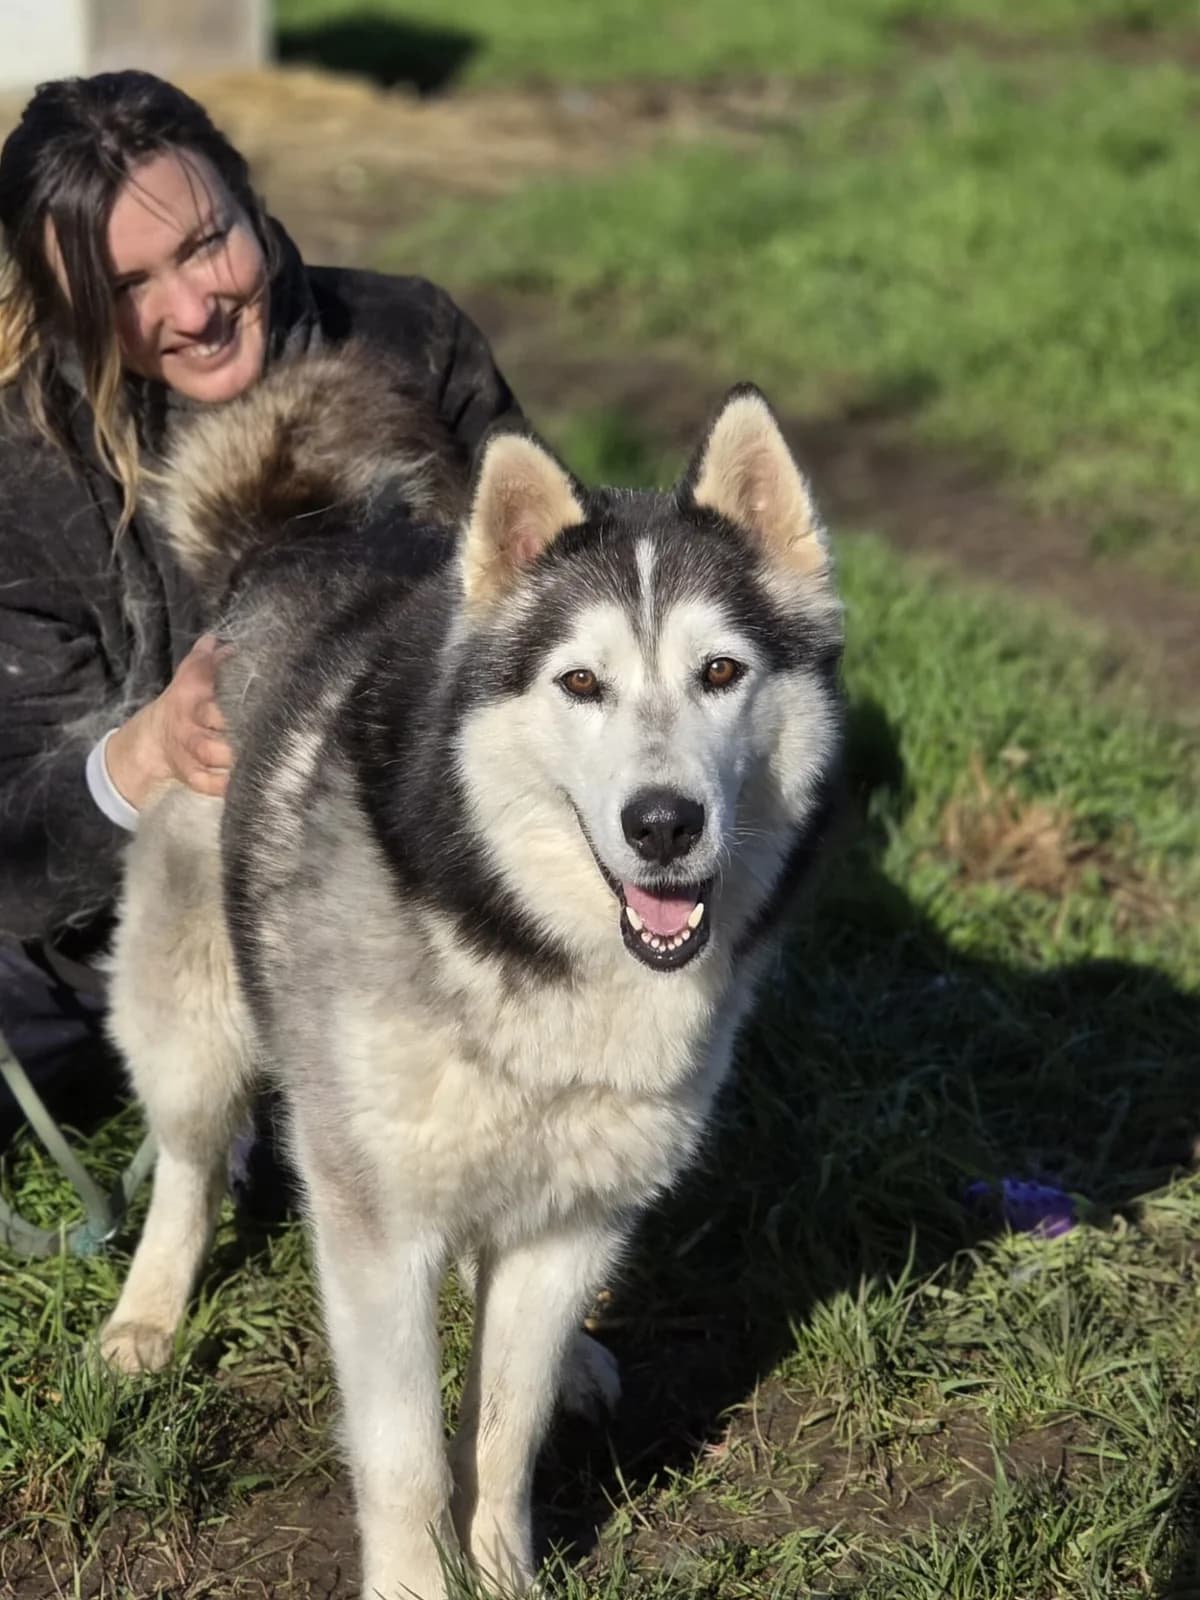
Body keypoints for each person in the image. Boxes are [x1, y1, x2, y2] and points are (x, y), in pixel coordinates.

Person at [0, 71, 520, 1169]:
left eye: (203, 244)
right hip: (82, 935)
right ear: (64, 310)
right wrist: (140, 753)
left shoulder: (409, 337)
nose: (190, 309)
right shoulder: (23, 467)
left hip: (374, 895)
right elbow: (15, 847)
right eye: (126, 286)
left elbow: (548, 592)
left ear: (248, 198)